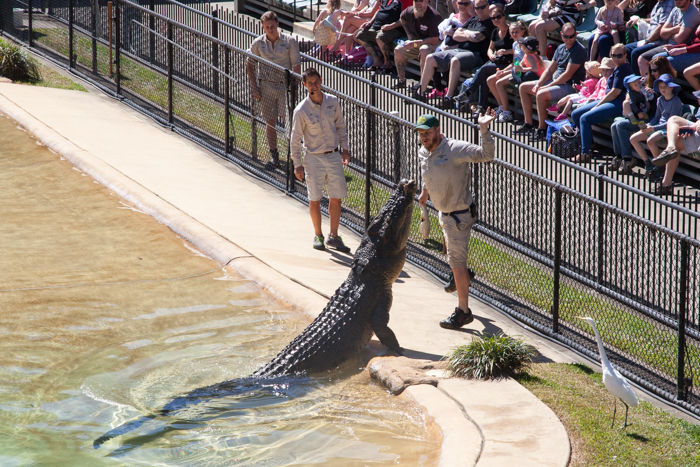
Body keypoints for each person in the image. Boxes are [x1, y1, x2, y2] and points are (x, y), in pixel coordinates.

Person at [415, 110, 496, 329]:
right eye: (420, 133)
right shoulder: (424, 151)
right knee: (454, 260)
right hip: (443, 213)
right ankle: (462, 276)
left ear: (438, 130)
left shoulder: (455, 149)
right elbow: (429, 171)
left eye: (428, 132)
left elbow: (486, 155)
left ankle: (463, 312)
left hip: (459, 216)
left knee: (456, 263)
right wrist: (425, 191)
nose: (424, 137)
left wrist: (484, 130)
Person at [290, 68, 352, 253]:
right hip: (313, 158)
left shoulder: (333, 102)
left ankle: (334, 236)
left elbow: (340, 126)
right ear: (305, 85)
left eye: (316, 82)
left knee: (336, 197)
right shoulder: (301, 110)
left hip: (333, 155)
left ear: (321, 80)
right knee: (314, 198)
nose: (314, 86)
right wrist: (297, 164)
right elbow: (295, 139)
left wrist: (345, 149)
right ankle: (318, 235)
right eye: (310, 83)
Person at [246, 11, 301, 170]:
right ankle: (274, 156)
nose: (270, 29)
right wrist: (254, 86)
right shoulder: (258, 43)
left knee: (289, 122)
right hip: (266, 85)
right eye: (267, 27)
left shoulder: (289, 42)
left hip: (284, 85)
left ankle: (293, 158)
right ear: (263, 27)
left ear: (277, 25)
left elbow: (296, 67)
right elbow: (250, 63)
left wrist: (294, 89)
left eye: (272, 26)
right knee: (269, 121)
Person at [416, 0, 495, 107]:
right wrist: (468, 35)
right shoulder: (473, 19)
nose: (479, 10)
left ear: (488, 7)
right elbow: (456, 35)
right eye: (477, 8)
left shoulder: (490, 23)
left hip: (476, 55)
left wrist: (464, 32)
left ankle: (449, 97)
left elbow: (476, 38)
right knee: (430, 58)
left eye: (482, 7)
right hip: (458, 50)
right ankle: (421, 93)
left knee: (455, 60)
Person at [515, 22, 586, 141]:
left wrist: (546, 86)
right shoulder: (560, 48)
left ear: (576, 34)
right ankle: (528, 124)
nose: (568, 39)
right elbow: (549, 71)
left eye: (571, 36)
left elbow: (567, 75)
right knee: (523, 87)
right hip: (556, 82)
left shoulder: (579, 50)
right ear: (561, 34)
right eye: (565, 36)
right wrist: (538, 83)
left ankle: (541, 130)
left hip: (570, 86)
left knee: (541, 94)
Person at [571, 44, 633, 162]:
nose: (616, 58)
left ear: (625, 55)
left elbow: (615, 93)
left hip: (618, 102)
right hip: (609, 100)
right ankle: (590, 144)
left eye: (619, 55)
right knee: (576, 114)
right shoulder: (617, 67)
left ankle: (585, 153)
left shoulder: (623, 68)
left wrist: (598, 105)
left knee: (585, 118)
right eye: (613, 55)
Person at [460, 6, 512, 112]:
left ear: (503, 17)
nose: (496, 20)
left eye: (498, 17)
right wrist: (491, 55)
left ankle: (468, 92)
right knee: (485, 76)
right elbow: (490, 49)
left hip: (508, 63)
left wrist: (505, 52)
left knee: (484, 70)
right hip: (496, 61)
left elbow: (518, 49)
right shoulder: (495, 31)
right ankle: (481, 107)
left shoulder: (511, 31)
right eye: (493, 18)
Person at [628, 74, 682, 174]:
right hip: (657, 126)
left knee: (650, 140)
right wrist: (648, 126)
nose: (662, 89)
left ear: (671, 87)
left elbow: (672, 122)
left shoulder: (676, 101)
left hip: (668, 129)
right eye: (660, 87)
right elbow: (657, 117)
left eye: (665, 86)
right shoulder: (660, 99)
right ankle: (648, 163)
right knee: (633, 138)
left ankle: (659, 166)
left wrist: (653, 128)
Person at [636, 0, 700, 77]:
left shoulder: (692, 13)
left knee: (661, 62)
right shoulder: (675, 9)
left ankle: (667, 87)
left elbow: (679, 39)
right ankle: (650, 86)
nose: (677, 1)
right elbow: (662, 33)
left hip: (691, 51)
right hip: (677, 46)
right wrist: (675, 29)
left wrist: (682, 48)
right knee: (645, 57)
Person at [490, 35, 545, 122]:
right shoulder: (526, 55)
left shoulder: (530, 56)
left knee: (525, 74)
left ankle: (518, 80)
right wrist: (505, 71)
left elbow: (535, 69)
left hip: (536, 77)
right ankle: (517, 79)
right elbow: (520, 65)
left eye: (522, 45)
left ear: (527, 48)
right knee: (513, 71)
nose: (520, 46)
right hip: (529, 75)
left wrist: (522, 69)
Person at [390, 0, 443, 89]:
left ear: (427, 1)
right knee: (398, 50)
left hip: (433, 44)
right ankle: (401, 80)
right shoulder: (409, 11)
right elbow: (402, 18)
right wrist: (410, 37)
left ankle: (422, 85)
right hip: (416, 43)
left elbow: (434, 39)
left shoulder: (434, 16)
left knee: (423, 49)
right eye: (416, 1)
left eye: (421, 1)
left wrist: (415, 42)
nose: (418, 3)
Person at [528, 0, 596, 58]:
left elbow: (593, 2)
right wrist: (547, 9)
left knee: (540, 26)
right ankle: (535, 54)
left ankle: (543, 57)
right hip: (556, 13)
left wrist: (584, 6)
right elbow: (550, 2)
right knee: (531, 26)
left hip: (569, 16)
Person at [624, 0, 675, 74]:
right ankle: (629, 79)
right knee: (626, 49)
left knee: (635, 53)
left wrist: (647, 41)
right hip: (650, 39)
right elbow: (654, 21)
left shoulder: (669, 3)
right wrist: (639, 20)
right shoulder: (659, 3)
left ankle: (637, 82)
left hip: (659, 42)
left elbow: (662, 26)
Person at [354, 0, 405, 72]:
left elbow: (405, 17)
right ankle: (377, 60)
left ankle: (387, 64)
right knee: (360, 35)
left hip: (395, 29)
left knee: (380, 37)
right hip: (378, 27)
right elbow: (378, 10)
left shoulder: (404, 1)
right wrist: (370, 23)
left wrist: (391, 26)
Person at [648, 114, 694, 194]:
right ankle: (671, 147)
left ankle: (671, 147)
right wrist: (693, 127)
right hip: (696, 130)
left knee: (674, 137)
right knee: (673, 120)